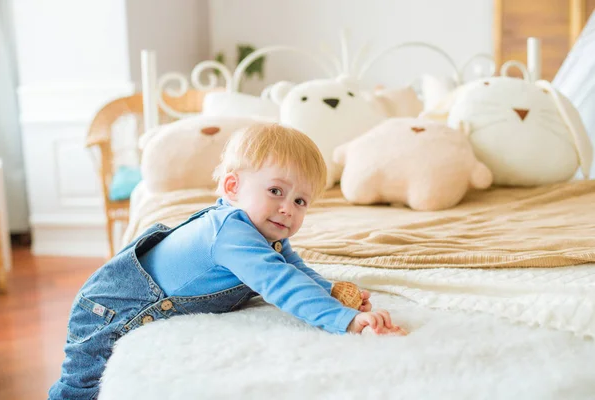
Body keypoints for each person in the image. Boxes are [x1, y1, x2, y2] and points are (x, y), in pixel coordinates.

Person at [48, 123, 405, 399]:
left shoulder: (266, 235)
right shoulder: (231, 233)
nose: (287, 208)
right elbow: (281, 284)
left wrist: (331, 291)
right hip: (110, 310)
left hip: (118, 301)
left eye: (300, 201)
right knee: (79, 389)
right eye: (276, 191)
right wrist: (345, 320)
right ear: (233, 188)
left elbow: (293, 270)